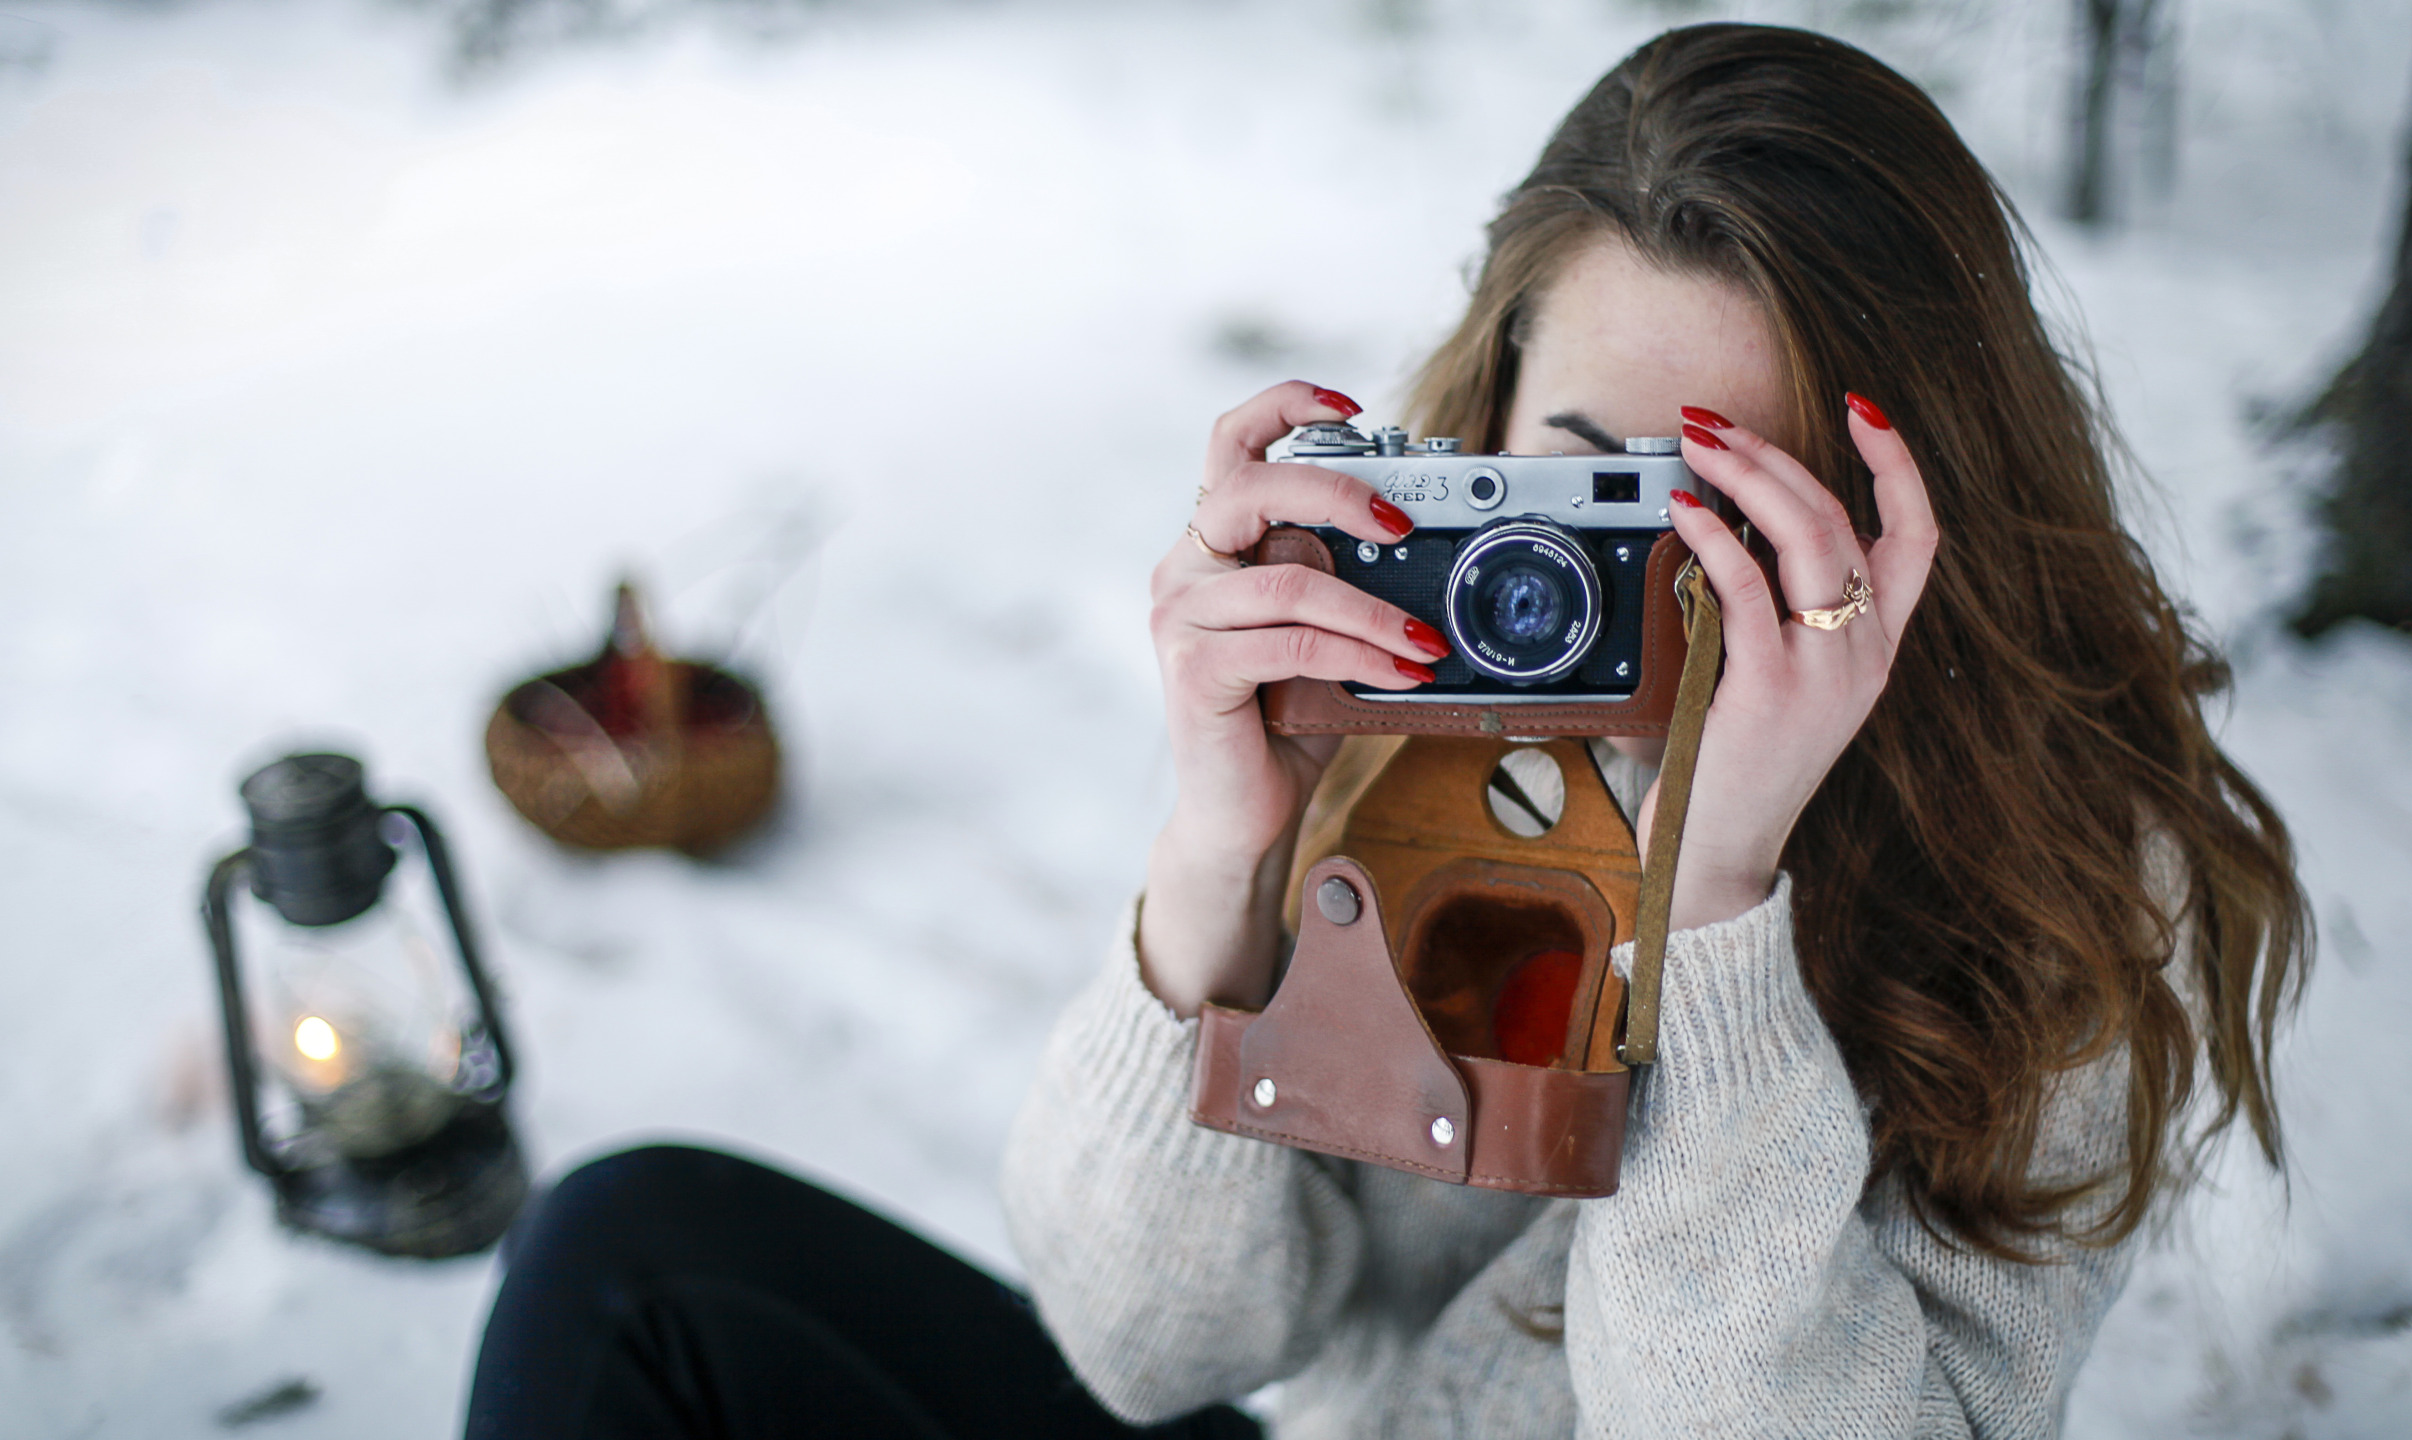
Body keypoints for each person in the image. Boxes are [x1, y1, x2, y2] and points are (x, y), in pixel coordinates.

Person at [465, 22, 2306, 1440]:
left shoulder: (2067, 873)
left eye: (1736, 513)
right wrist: (1220, 860)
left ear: (1905, 510)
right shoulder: (1411, 676)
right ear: (1490, 419)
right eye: (1589, 492)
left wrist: (1727, 895)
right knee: (630, 1262)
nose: (1639, 582)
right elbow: (1144, 1345)